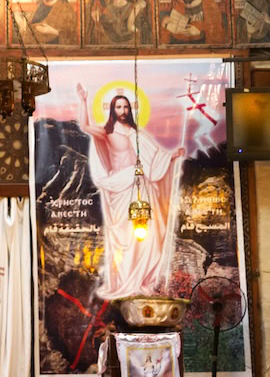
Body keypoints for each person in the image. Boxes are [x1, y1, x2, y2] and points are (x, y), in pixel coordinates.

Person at [77, 83, 188, 300]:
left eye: (126, 107)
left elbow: (155, 159)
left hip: (141, 186)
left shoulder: (138, 133)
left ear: (130, 110)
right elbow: (84, 125)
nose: (123, 111)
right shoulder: (107, 132)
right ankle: (126, 281)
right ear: (112, 110)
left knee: (149, 236)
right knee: (124, 238)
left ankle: (143, 281)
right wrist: (82, 100)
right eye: (118, 107)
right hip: (120, 187)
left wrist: (173, 155)